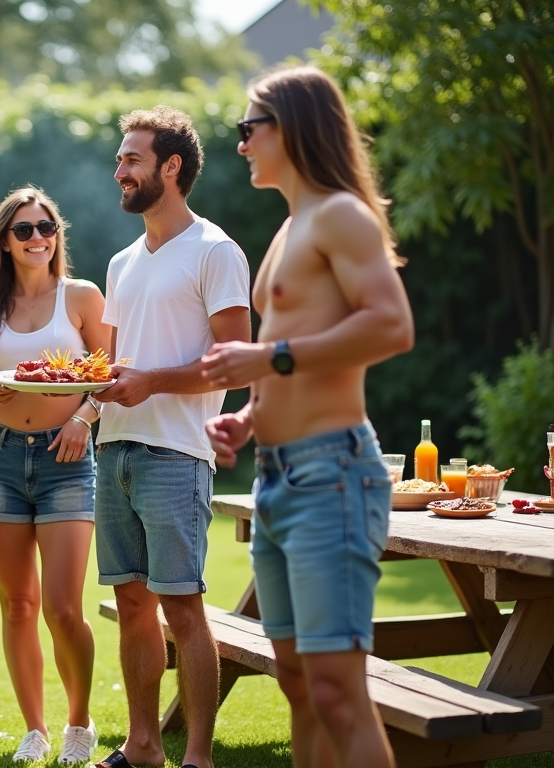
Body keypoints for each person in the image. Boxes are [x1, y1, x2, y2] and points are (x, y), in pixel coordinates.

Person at [203, 65, 414, 768]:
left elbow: (391, 326)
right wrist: (250, 420)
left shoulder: (341, 216)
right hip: (277, 478)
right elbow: (282, 356)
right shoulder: (289, 230)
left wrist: (274, 359)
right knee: (297, 684)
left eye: (247, 129)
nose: (240, 146)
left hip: (332, 474)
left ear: (288, 127)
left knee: (336, 692)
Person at [91, 106, 252, 768]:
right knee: (132, 606)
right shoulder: (121, 262)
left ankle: (200, 758)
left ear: (172, 166)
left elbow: (236, 361)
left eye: (131, 159)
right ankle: (143, 746)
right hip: (114, 449)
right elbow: (107, 365)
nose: (120, 169)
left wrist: (152, 380)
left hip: (176, 455)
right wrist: (75, 393)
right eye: (121, 159)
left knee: (182, 611)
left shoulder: (215, 250)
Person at [0, 186, 110, 764]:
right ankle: (35, 728)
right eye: (24, 229)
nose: (37, 238)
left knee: (63, 607)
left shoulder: (80, 296)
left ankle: (79, 723)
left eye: (46, 227)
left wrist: (83, 419)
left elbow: (110, 375)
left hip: (67, 459)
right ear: (5, 240)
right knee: (17, 604)